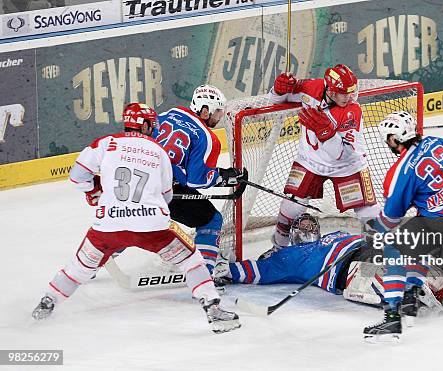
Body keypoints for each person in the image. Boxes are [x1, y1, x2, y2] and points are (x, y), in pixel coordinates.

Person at [31, 103, 240, 334]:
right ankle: (213, 308)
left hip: (108, 225)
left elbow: (77, 177)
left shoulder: (105, 143)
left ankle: (47, 303)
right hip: (153, 227)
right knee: (192, 261)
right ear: (148, 125)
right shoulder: (159, 152)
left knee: (78, 268)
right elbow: (167, 195)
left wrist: (94, 190)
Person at [361, 111, 443, 343]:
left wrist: (375, 230)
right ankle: (411, 295)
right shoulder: (434, 142)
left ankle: (392, 318)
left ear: (393, 140)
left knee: (393, 248)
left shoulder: (401, 171)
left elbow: (390, 219)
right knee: (416, 241)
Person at [216, 213, 443, 312]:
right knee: (371, 273)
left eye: (310, 224)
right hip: (346, 269)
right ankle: (421, 290)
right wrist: (224, 270)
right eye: (301, 226)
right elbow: (256, 270)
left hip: (368, 247)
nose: (306, 227)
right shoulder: (289, 257)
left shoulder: (332, 235)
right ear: (293, 235)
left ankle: (436, 283)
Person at [262, 65, 380, 257]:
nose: (351, 97)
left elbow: (343, 154)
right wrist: (278, 89)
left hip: (347, 166)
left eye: (353, 91)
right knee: (291, 206)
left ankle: (382, 251)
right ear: (331, 91)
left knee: (369, 211)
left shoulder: (352, 110)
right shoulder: (311, 88)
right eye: (345, 93)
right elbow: (276, 100)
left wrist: (325, 133)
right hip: (310, 161)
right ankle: (279, 248)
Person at [154, 85, 245, 274]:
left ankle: (99, 255)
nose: (220, 116)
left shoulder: (171, 112)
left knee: (131, 215)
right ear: (205, 111)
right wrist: (223, 176)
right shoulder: (207, 137)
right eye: (218, 111)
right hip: (167, 189)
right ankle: (203, 272)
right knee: (211, 220)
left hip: (140, 175)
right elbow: (196, 181)